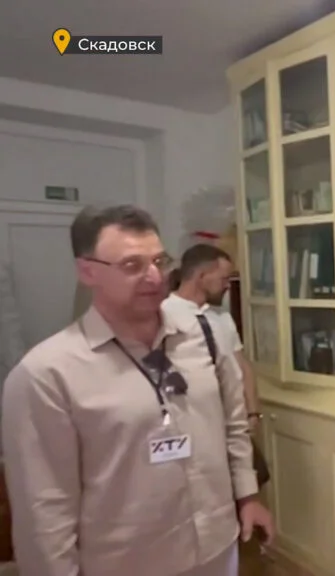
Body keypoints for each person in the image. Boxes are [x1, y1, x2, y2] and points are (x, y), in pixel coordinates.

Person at [1, 205, 274, 576]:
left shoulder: (204, 335)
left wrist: (247, 495)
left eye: (159, 261)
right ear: (87, 271)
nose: (154, 277)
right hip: (127, 563)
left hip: (216, 547)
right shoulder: (46, 374)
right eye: (132, 265)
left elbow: (233, 425)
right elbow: (44, 511)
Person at [164, 244, 262, 435]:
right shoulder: (164, 314)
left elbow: (241, 366)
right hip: (188, 422)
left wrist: (253, 412)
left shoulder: (222, 318)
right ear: (202, 276)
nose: (228, 286)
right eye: (224, 279)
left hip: (231, 419)